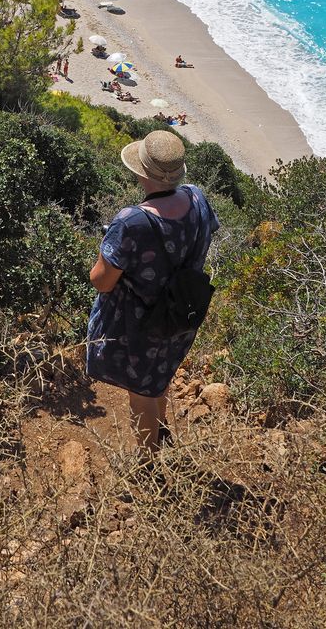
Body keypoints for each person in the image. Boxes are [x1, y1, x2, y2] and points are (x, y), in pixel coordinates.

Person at [87, 131, 219, 452]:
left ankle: (148, 466)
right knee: (158, 378)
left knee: (141, 396)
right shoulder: (197, 198)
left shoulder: (131, 222)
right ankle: (161, 433)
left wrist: (106, 248)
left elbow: (101, 281)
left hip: (142, 327)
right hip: (180, 315)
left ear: (140, 171)